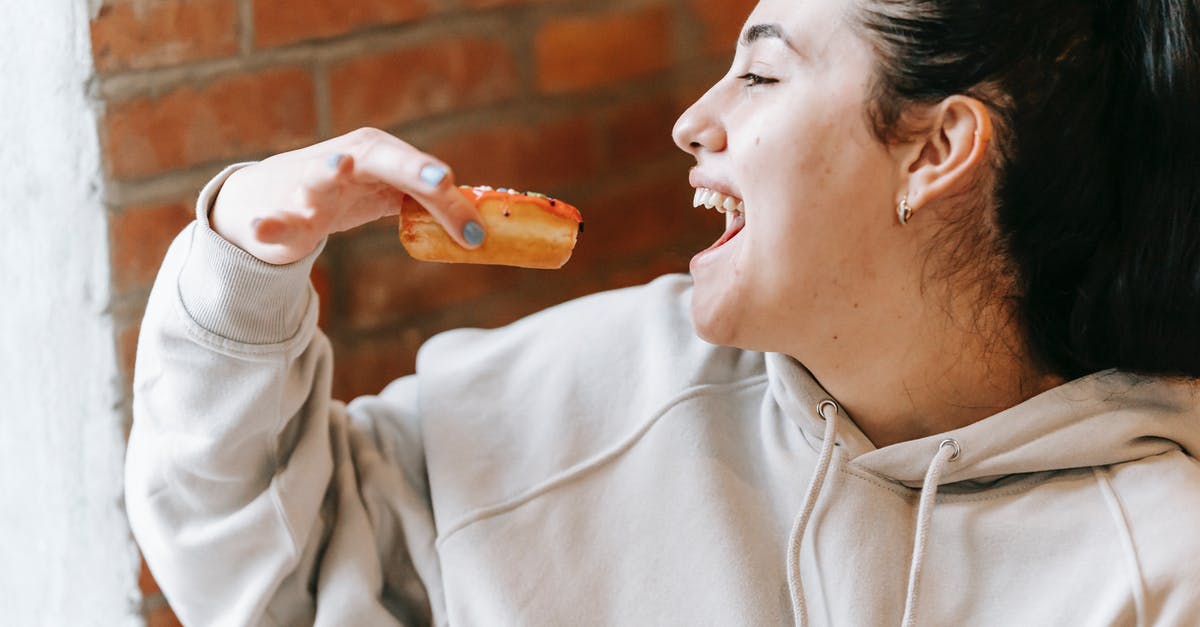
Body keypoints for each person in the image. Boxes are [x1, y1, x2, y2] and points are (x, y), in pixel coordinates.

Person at [125, 0, 1200, 624]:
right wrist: (243, 263)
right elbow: (282, 579)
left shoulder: (1161, 567)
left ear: (936, 151)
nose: (694, 120)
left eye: (763, 76)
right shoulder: (587, 394)